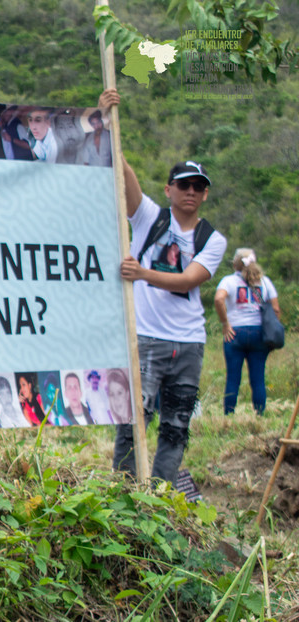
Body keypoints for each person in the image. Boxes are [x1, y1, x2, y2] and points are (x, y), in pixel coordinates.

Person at [102, 88, 227, 484]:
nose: (190, 192)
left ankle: (162, 496)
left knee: (175, 426)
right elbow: (126, 179)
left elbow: (190, 279)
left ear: (205, 194)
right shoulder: (149, 219)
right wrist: (108, 124)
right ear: (169, 188)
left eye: (198, 187)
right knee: (132, 421)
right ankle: (124, 494)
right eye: (183, 184)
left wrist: (143, 274)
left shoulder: (212, 239)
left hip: (188, 343)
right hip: (146, 340)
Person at [215, 248, 280, 415]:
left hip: (234, 332)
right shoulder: (265, 282)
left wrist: (225, 323)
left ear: (235, 264)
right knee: (258, 379)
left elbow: (219, 299)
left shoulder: (228, 281)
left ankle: (229, 414)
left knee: (233, 377)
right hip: (259, 333)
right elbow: (276, 309)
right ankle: (260, 414)